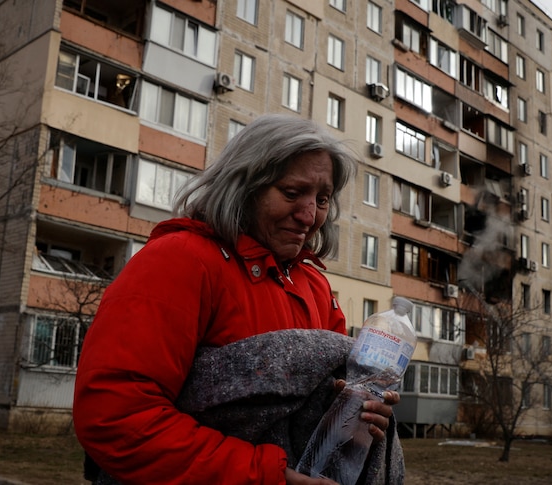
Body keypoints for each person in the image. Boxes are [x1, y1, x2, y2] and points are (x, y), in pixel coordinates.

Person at [73, 114, 401, 484]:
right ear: (244, 187)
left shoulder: (315, 288)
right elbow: (116, 417)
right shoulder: (179, 261)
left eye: (322, 199)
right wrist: (266, 476)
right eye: (292, 193)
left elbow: (328, 409)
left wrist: (362, 416)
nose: (310, 216)